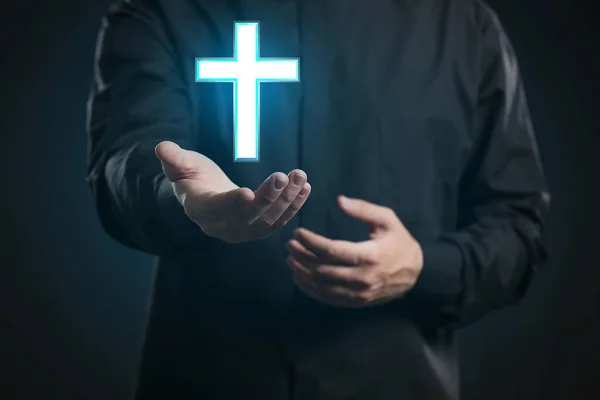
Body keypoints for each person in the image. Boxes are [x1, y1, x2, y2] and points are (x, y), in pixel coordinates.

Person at [86, 0, 551, 399]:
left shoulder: (463, 25)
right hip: (209, 380)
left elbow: (518, 223)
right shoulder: (166, 8)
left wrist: (424, 269)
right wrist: (179, 196)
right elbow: (123, 164)